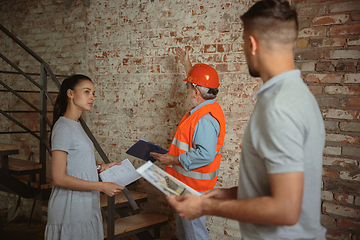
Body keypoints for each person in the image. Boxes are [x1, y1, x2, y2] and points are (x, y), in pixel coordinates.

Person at [166, 0, 327, 239]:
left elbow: (286, 209)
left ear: (252, 44)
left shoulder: (279, 106)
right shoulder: (295, 96)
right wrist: (231, 194)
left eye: (243, 42)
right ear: (292, 42)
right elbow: (278, 187)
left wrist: (206, 207)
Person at [150, 48, 226, 240]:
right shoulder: (207, 107)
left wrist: (172, 159)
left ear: (196, 92)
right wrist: (186, 63)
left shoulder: (204, 119)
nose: (187, 91)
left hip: (192, 188)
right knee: (186, 234)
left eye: (189, 87)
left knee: (194, 235)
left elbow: (205, 155)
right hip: (186, 185)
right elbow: (198, 82)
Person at [45, 74, 124, 240]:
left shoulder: (77, 124)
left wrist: (100, 168)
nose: (92, 97)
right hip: (70, 209)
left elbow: (75, 166)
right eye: (87, 92)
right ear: (70, 94)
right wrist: (101, 187)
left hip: (84, 206)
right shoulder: (63, 127)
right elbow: (58, 178)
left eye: (93, 93)